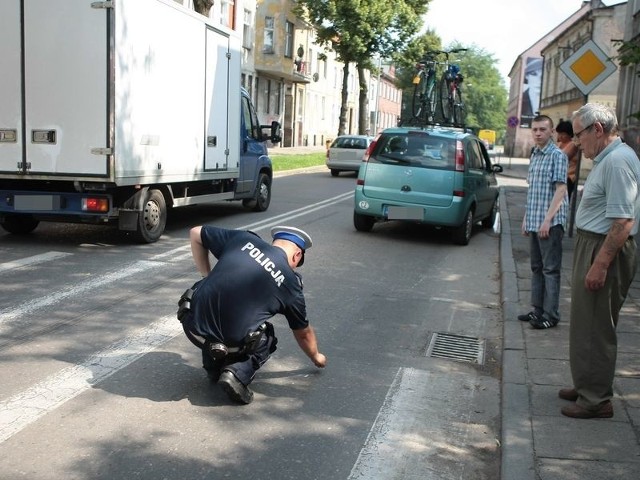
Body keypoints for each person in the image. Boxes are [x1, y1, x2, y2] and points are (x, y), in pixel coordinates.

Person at [178, 225, 327, 405]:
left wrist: (206, 275)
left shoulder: (243, 239)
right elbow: (303, 333)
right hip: (231, 343)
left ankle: (213, 367)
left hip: (191, 325)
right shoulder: (290, 284)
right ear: (297, 255)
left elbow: (195, 233)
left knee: (215, 297)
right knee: (266, 337)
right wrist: (316, 356)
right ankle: (236, 374)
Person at [558, 103, 640, 419]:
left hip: (604, 249)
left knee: (596, 327)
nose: (576, 143)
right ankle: (585, 384)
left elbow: (622, 222)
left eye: (579, 135)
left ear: (598, 130)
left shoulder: (618, 162)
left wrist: (601, 263)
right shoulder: (609, 158)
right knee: (585, 322)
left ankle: (596, 400)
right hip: (593, 244)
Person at [518, 115, 568, 329]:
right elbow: (534, 191)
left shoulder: (557, 156)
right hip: (535, 220)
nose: (538, 133)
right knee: (536, 267)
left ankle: (551, 315)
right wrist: (526, 219)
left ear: (551, 132)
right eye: (535, 129)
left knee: (550, 269)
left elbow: (561, 189)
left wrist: (548, 221)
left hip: (551, 223)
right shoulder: (535, 154)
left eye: (542, 129)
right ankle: (537, 310)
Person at [555, 120, 579, 200]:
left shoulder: (573, 144)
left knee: (562, 200)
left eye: (563, 134)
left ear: (569, 134)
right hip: (559, 175)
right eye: (559, 134)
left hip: (568, 177)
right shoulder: (559, 144)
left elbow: (562, 157)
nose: (560, 136)